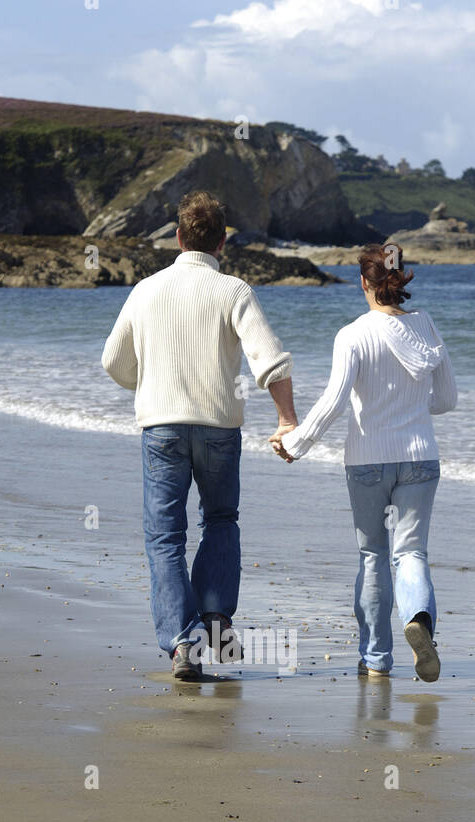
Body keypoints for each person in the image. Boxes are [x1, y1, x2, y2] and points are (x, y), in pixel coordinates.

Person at [101, 190, 297, 680]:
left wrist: (149, 385)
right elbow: (271, 361)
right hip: (218, 428)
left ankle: (182, 643)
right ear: (222, 241)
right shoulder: (233, 290)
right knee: (221, 520)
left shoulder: (145, 290)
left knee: (165, 536)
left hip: (161, 427)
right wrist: (287, 421)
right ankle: (216, 622)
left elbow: (113, 361)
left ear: (178, 237)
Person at [271, 243, 456, 682]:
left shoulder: (352, 334)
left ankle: (376, 659)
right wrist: (412, 407)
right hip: (420, 458)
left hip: (368, 460)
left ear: (363, 283)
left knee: (373, 555)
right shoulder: (426, 326)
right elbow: (447, 399)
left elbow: (334, 402)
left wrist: (295, 443)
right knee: (411, 552)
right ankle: (419, 620)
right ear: (401, 278)